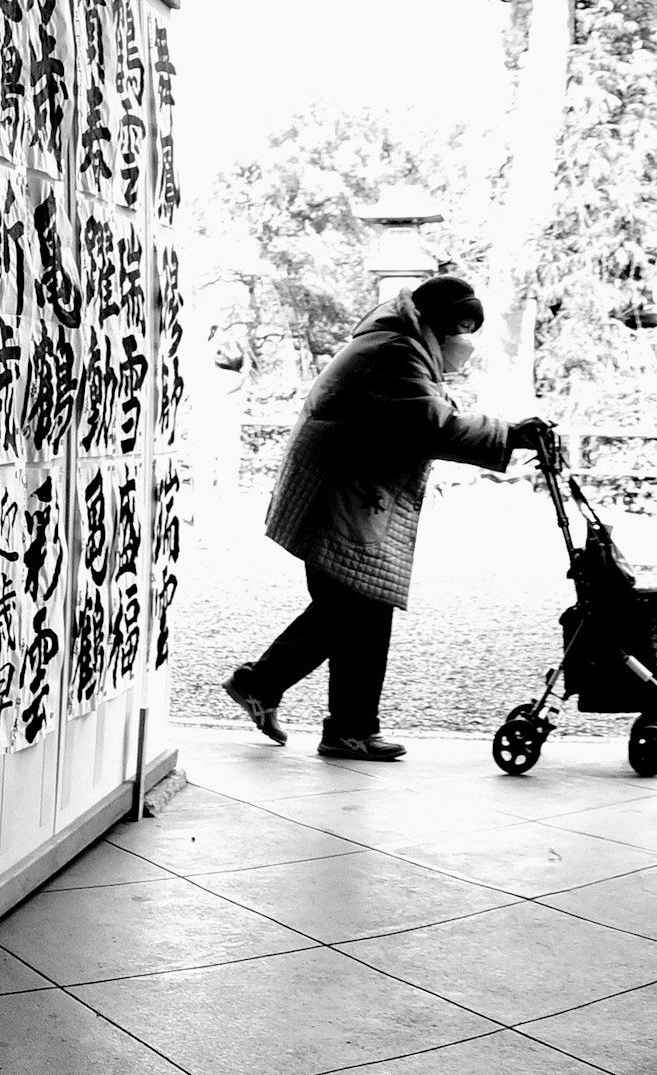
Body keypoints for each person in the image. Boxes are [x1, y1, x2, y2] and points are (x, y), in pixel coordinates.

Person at [225, 274, 548, 761]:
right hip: (340, 497)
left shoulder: (398, 344)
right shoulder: (394, 351)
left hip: (346, 495)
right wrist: (509, 433)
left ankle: (330, 718)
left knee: (355, 609)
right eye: (458, 330)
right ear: (436, 324)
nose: (463, 343)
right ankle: (293, 699)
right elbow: (430, 422)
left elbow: (428, 413)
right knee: (352, 610)